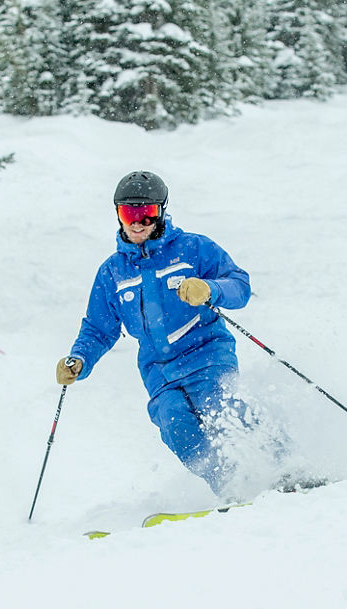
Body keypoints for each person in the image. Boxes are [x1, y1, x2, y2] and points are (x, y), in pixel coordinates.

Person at [56, 171, 253, 496]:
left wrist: (210, 289)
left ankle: (285, 467)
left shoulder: (194, 249)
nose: (136, 223)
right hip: (160, 373)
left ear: (160, 212)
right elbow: (98, 328)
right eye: (127, 213)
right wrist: (78, 359)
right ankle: (232, 485)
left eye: (145, 213)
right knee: (177, 426)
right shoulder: (112, 271)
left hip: (207, 354)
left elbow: (240, 286)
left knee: (222, 408)